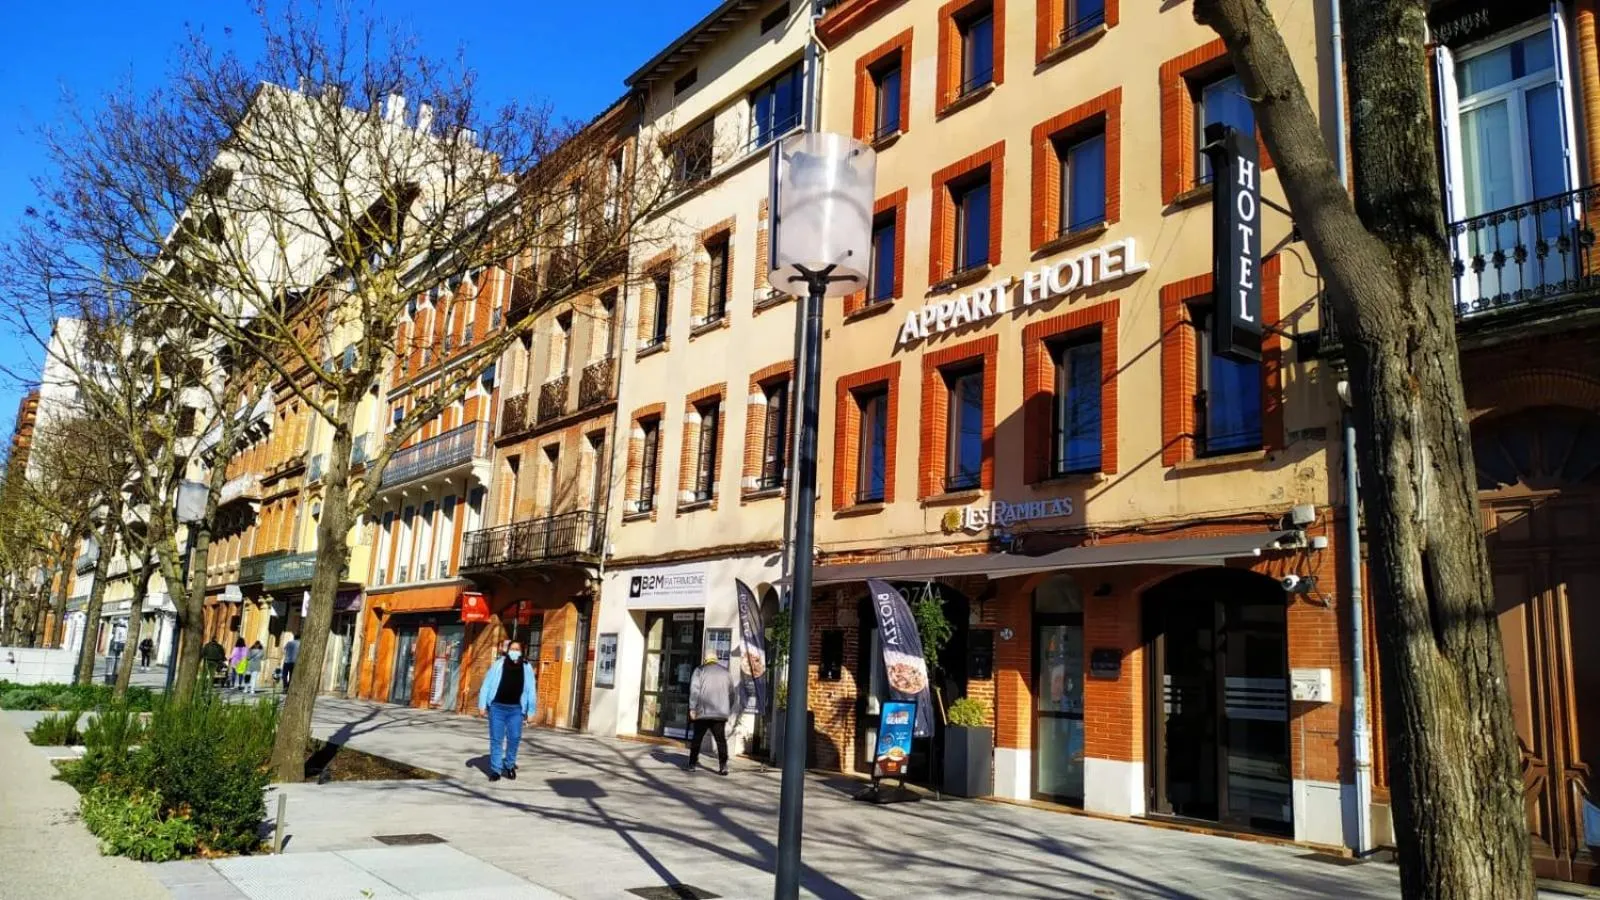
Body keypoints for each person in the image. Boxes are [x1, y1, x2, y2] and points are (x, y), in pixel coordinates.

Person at [476, 640, 536, 782]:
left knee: (514, 738)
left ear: (522, 652)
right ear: (508, 650)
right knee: (496, 739)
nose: (514, 651)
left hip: (516, 709)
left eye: (517, 649)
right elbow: (486, 685)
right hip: (497, 708)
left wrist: (531, 711)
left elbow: (531, 690)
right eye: (512, 649)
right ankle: (496, 769)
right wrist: (482, 705)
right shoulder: (498, 664)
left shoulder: (526, 668)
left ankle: (509, 765)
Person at [688, 651, 739, 775]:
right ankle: (723, 766)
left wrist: (692, 708)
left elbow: (694, 691)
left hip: (703, 713)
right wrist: (727, 708)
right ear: (716, 659)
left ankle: (692, 764)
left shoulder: (699, 670)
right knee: (721, 740)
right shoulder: (726, 672)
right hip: (720, 714)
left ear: (705, 659)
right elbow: (732, 694)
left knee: (697, 739)